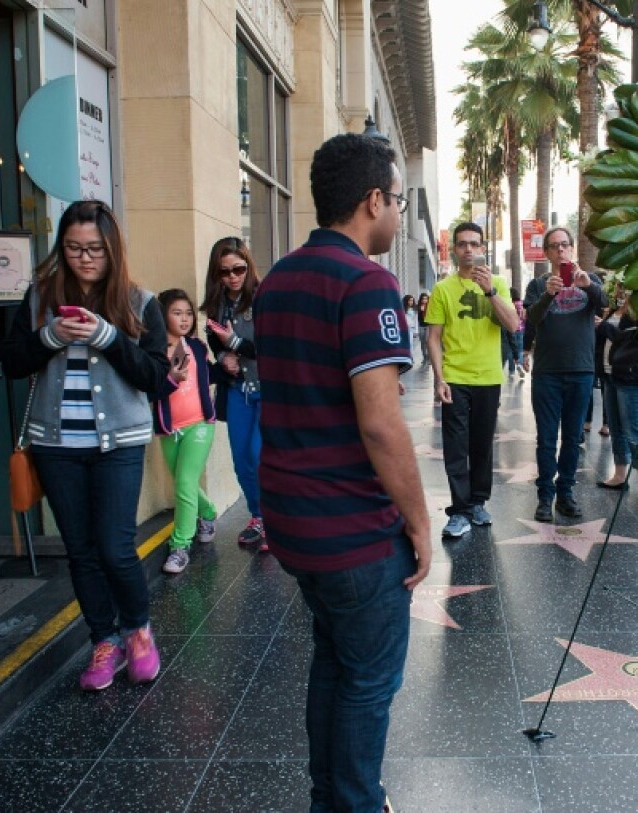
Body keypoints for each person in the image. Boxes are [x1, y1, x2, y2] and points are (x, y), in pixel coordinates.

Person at [254, 132, 430, 813]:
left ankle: (329, 795)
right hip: (353, 530)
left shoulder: (278, 281)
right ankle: (355, 801)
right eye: (397, 200)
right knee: (367, 680)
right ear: (373, 200)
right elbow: (381, 423)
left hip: (294, 522)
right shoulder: (366, 283)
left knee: (335, 660)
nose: (398, 214)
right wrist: (419, 523)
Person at [0, 199, 168, 691]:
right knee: (81, 551)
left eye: (94, 248)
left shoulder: (140, 302)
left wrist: (108, 336)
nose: (84, 258)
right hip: (55, 444)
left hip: (119, 443)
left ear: (112, 249)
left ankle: (137, 630)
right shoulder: (39, 298)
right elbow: (11, 361)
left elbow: (154, 377)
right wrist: (50, 335)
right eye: (73, 248)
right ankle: (103, 640)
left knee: (116, 548)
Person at [426, 221, 518, 538]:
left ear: (482, 248)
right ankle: (460, 510)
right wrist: (439, 378)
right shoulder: (443, 290)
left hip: (489, 377)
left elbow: (512, 325)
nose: (468, 249)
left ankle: (478, 502)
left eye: (474, 244)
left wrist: (490, 290)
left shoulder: (499, 284)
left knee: (481, 444)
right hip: (455, 376)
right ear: (454, 249)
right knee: (455, 446)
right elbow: (434, 338)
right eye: (462, 243)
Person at [523, 226, 608, 522]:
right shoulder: (537, 284)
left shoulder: (590, 280)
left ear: (572, 249)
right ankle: (545, 497)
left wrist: (588, 286)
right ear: (546, 253)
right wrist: (548, 295)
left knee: (572, 439)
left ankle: (566, 494)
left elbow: (606, 303)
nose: (561, 250)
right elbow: (531, 319)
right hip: (547, 372)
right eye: (554, 246)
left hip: (581, 371)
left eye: (565, 245)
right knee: (546, 439)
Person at [200, 237, 265, 550]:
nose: (233, 277)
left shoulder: (263, 296)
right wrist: (222, 355)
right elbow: (212, 337)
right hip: (238, 389)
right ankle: (259, 518)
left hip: (268, 389)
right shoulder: (218, 302)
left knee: (258, 454)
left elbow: (271, 346)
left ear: (248, 265)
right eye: (224, 271)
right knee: (242, 460)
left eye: (239, 268)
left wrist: (235, 345)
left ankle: (274, 519)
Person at [152, 289, 218, 575]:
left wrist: (229, 364)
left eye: (188, 313)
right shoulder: (153, 350)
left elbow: (209, 375)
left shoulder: (197, 347)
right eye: (176, 313)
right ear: (161, 315)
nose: (184, 318)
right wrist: (170, 378)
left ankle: (180, 546)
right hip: (169, 428)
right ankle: (208, 513)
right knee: (184, 482)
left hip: (200, 424)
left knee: (183, 485)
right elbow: (150, 390)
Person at [595, 293, 638, 500]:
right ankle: (620, 475)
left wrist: (602, 325)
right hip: (609, 374)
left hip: (631, 378)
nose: (622, 292)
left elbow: (625, 340)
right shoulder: (612, 311)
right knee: (616, 427)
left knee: (632, 430)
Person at [502, 286, 526, 375]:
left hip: (510, 328)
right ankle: (519, 364)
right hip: (520, 329)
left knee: (510, 348)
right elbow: (524, 317)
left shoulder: (509, 304)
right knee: (519, 349)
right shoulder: (521, 304)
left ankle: (511, 370)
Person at [402, 293, 420, 363]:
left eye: (412, 301)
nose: (411, 302)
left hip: (411, 328)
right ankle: (405, 357)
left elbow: (415, 320)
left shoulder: (414, 309)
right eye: (409, 301)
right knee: (404, 343)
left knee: (410, 343)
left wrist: (416, 331)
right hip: (403, 328)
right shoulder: (402, 309)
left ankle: (410, 357)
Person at [417, 291, 431, 366]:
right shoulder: (419, 307)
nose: (424, 300)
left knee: (427, 341)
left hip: (428, 326)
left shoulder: (430, 307)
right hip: (421, 326)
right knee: (422, 342)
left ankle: (429, 358)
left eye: (426, 299)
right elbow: (417, 318)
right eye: (423, 299)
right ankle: (424, 357)